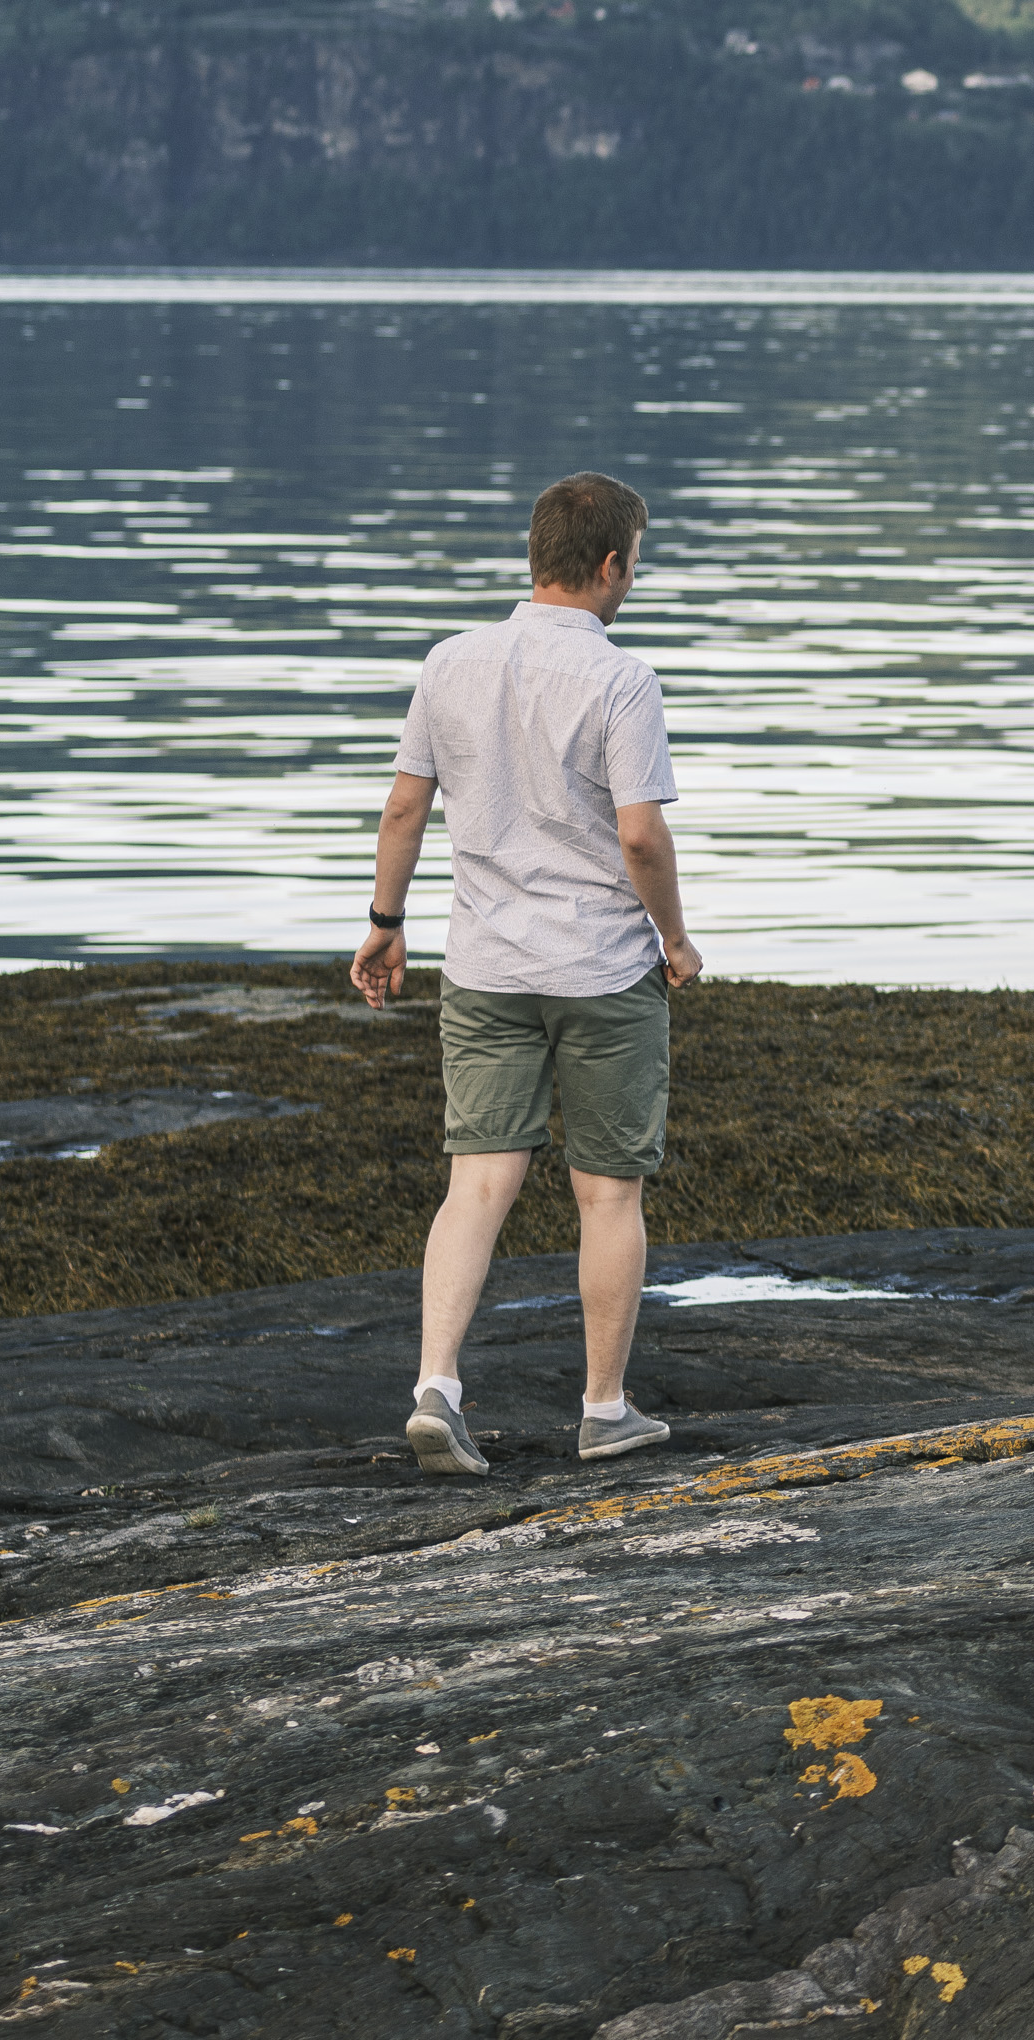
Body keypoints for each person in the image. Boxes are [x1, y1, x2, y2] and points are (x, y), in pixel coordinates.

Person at [347, 471, 704, 1472]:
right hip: (600, 969)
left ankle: (437, 1387)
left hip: (485, 966)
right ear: (609, 564)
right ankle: (602, 1408)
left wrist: (384, 922)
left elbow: (404, 808)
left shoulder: (449, 663)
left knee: (478, 1182)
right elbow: (641, 838)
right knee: (608, 1195)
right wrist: (674, 939)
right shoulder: (621, 679)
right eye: (634, 561)